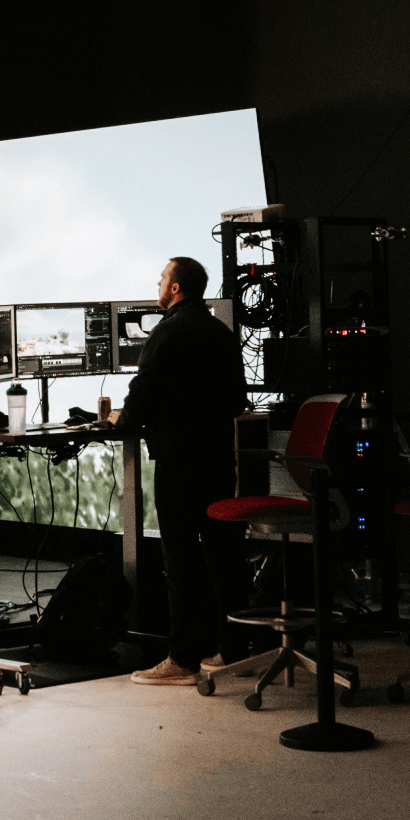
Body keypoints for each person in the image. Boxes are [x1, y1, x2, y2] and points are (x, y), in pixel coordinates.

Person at [120, 255, 252, 686]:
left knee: (180, 559)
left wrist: (121, 422)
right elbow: (238, 398)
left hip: (179, 463)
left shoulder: (167, 332)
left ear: (175, 289)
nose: (158, 283)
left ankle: (182, 658)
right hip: (218, 459)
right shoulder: (219, 332)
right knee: (223, 555)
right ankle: (231, 649)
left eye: (162, 278)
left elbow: (141, 395)